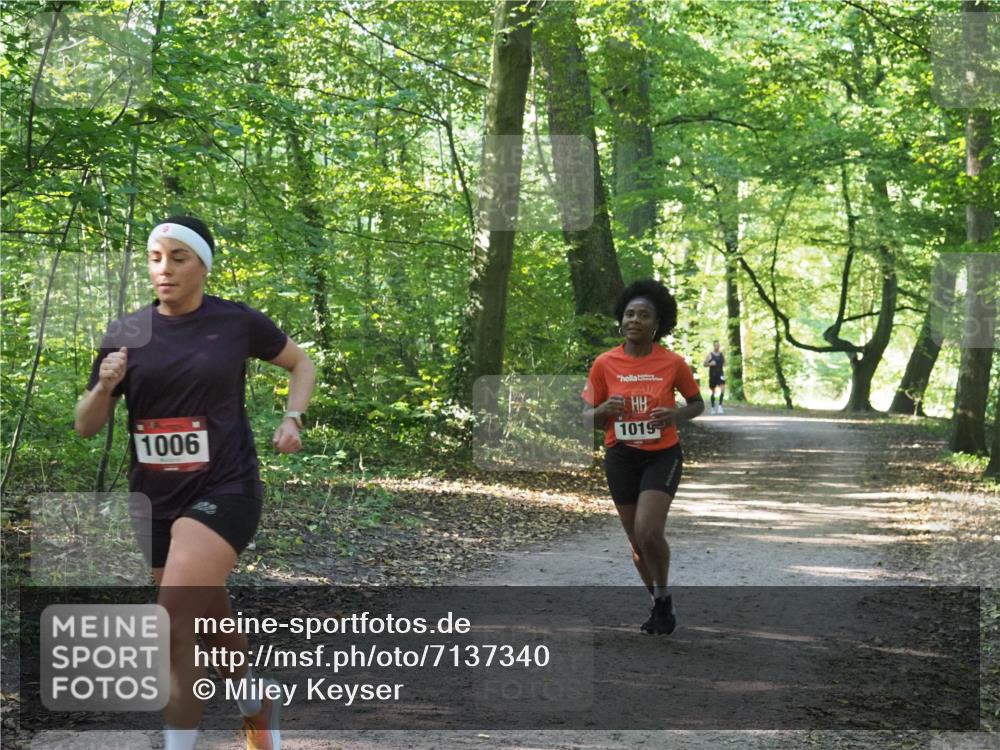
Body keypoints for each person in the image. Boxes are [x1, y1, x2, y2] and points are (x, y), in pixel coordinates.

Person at [74, 215, 315, 750]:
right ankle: (255, 700)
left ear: (203, 265)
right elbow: (87, 426)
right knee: (206, 618)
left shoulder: (236, 323)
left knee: (170, 624)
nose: (165, 270)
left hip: (225, 489)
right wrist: (105, 386)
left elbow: (301, 364)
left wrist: (292, 417)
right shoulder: (126, 333)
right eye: (156, 259)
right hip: (156, 498)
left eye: (178, 258)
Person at [582, 279, 704, 634]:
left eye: (644, 315)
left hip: (661, 455)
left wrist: (675, 415)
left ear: (657, 323)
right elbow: (585, 418)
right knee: (636, 542)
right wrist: (604, 408)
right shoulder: (604, 363)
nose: (634, 320)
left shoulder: (672, 363)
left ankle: (663, 596)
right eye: (629, 314)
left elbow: (697, 404)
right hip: (620, 456)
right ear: (621, 319)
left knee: (648, 532)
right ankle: (660, 604)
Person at [703, 339, 726, 414]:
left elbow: (725, 363)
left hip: (720, 374)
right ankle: (713, 407)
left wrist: (724, 363)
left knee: (722, 390)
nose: (717, 347)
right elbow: (704, 364)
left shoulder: (722, 354)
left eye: (718, 345)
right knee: (713, 392)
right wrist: (710, 364)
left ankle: (720, 406)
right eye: (716, 345)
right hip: (713, 375)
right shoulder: (710, 355)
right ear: (714, 346)